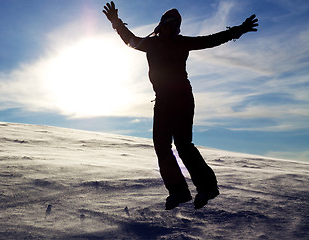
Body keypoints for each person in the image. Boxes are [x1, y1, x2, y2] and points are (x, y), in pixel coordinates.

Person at [103, 2, 258, 210]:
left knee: (183, 146)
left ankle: (206, 188)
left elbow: (211, 40)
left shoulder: (176, 42)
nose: (171, 28)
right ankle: (179, 191)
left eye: (174, 26)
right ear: (162, 25)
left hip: (181, 99)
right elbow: (130, 40)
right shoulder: (152, 43)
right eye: (169, 24)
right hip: (164, 101)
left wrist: (238, 30)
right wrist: (116, 22)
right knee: (163, 147)